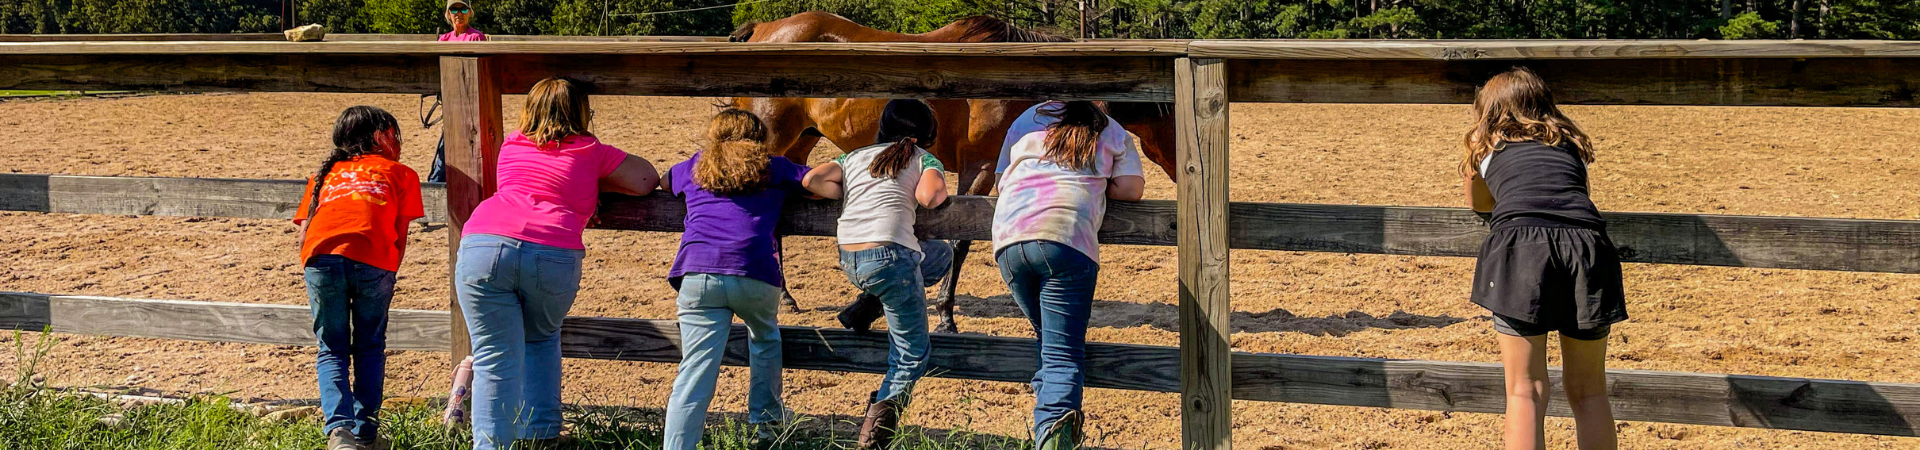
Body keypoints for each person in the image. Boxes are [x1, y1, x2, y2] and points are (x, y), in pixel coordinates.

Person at [454, 77, 659, 450]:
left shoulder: (511, 145)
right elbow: (646, 179)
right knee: (542, 338)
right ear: (581, 112)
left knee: (493, 357)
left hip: (483, 243)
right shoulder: (589, 149)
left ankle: (490, 446)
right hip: (551, 249)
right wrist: (596, 184)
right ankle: (540, 436)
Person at [1462, 67, 1625, 450]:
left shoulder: (1485, 143)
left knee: (1525, 390)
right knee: (1590, 392)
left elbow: (1478, 202)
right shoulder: (1569, 143)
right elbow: (1577, 189)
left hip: (1521, 248)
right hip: (1588, 247)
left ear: (1489, 110)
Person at [662, 109, 839, 450]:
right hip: (754, 270)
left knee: (695, 370)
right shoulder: (775, 166)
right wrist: (841, 168)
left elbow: (664, 181)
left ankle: (677, 445)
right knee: (765, 340)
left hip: (697, 271)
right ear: (761, 136)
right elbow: (822, 185)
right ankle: (767, 426)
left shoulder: (696, 165)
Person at [991, 100, 1144, 450]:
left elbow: (1001, 183)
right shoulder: (1111, 128)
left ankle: (1049, 427)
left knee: (1049, 341)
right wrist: (1099, 184)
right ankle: (1054, 439)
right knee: (1063, 353)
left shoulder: (1026, 119)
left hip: (1011, 241)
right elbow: (1133, 189)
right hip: (1067, 239)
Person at [800, 99, 953, 449]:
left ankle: (869, 302)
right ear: (923, 136)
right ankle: (875, 439)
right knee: (911, 353)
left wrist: (846, 192)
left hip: (851, 257)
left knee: (938, 254)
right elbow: (931, 197)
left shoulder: (852, 157)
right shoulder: (922, 159)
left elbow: (811, 178)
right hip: (891, 258)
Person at [295, 105, 424, 450]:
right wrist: (388, 273)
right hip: (374, 261)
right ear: (380, 135)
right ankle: (366, 433)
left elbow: (306, 230)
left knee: (331, 348)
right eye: (394, 133)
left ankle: (339, 433)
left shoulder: (326, 174)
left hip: (321, 260)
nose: (398, 141)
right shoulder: (401, 173)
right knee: (369, 346)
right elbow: (400, 234)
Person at [427, 0, 488, 184]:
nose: (458, 13)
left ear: (469, 12)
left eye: (463, 9)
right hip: (450, 104)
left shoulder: (476, 37)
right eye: (454, 9)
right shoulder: (443, 39)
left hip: (470, 104)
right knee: (443, 156)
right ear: (448, 14)